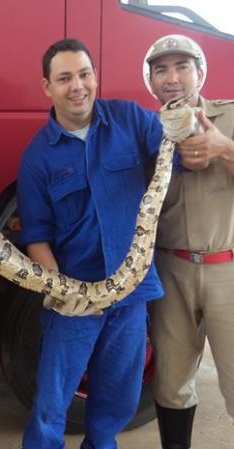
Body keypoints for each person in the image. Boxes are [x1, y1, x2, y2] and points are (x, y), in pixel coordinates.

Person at [17, 38, 168, 449]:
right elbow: (36, 235)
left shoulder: (131, 120)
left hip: (130, 297)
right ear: (47, 86)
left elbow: (177, 145)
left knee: (117, 403)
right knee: (51, 405)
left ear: (95, 77)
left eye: (84, 74)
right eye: (64, 78)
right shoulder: (37, 157)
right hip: (75, 299)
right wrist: (58, 290)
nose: (77, 86)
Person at [146, 34, 234, 449]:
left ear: (201, 72)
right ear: (151, 81)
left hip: (227, 269)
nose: (172, 77)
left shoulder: (229, 117)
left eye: (182, 66)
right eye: (161, 69)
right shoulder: (148, 132)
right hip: (171, 270)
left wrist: (224, 148)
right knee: (171, 382)